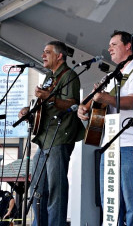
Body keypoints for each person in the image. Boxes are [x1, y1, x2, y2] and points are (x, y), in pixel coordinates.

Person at [77, 30, 133, 226]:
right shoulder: (112, 76)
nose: (109, 48)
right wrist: (83, 108)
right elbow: (94, 104)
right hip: (111, 144)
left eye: (114, 44)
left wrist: (106, 98)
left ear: (128, 46)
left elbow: (132, 102)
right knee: (110, 203)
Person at [18, 41, 84, 226]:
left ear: (59, 56)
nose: (42, 55)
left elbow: (71, 104)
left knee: (56, 189)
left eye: (47, 52)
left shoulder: (69, 75)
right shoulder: (48, 76)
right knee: (37, 188)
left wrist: (48, 97)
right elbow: (42, 104)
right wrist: (27, 110)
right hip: (44, 137)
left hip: (59, 136)